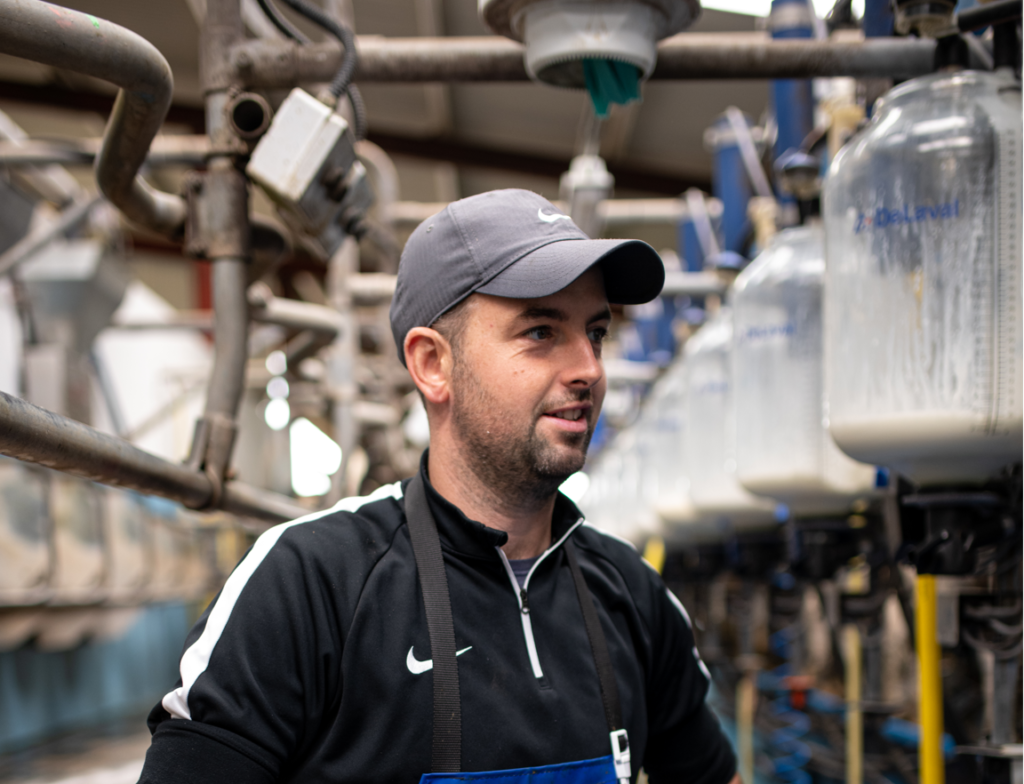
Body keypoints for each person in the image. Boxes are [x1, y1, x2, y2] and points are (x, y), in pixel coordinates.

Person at [138, 188, 739, 784]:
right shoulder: (309, 584)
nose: (589, 368)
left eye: (596, 333)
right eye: (540, 332)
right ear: (432, 363)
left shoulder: (633, 594)